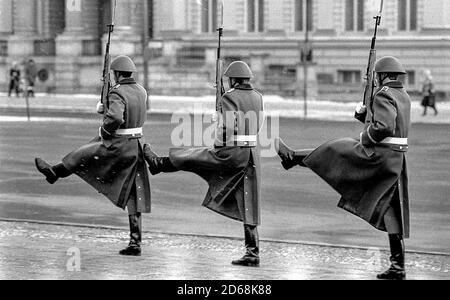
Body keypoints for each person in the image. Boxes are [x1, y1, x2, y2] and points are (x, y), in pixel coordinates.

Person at [275, 56, 411, 280]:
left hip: (378, 156)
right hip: (396, 160)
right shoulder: (402, 95)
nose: (376, 79)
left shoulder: (384, 94)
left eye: (377, 76)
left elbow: (384, 127)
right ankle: (398, 267)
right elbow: (389, 124)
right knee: (392, 210)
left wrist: (364, 136)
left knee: (335, 149)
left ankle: (292, 157)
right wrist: (363, 115)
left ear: (383, 76)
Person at [144, 61, 264, 267]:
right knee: (249, 202)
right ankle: (252, 253)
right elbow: (257, 123)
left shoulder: (229, 97)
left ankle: (159, 163)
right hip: (251, 154)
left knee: (193, 156)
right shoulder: (258, 97)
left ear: (233, 79)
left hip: (230, 153)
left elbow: (227, 127)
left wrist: (219, 136)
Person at [35, 55, 151, 256]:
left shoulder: (117, 92)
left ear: (116, 74)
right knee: (133, 193)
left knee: (81, 155)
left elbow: (115, 117)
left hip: (117, 144)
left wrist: (105, 128)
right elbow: (132, 112)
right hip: (135, 146)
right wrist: (106, 108)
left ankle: (55, 172)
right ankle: (135, 243)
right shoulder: (141, 91)